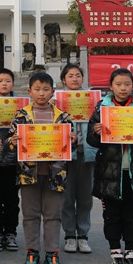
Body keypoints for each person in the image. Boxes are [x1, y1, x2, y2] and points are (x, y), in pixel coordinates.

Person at [88, 68, 133, 264]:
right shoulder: (102, 109)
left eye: (127, 84)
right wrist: (96, 131)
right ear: (111, 87)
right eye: (118, 84)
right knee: (111, 215)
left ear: (132, 86)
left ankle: (131, 250)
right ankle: (115, 251)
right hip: (111, 172)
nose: (123, 88)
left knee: (132, 215)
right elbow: (91, 141)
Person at [7, 72, 75, 264]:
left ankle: (53, 252)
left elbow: (72, 145)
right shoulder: (21, 116)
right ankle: (32, 251)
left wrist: (73, 140)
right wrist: (13, 142)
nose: (41, 93)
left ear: (53, 92)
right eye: (37, 89)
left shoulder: (63, 117)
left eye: (46, 89)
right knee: (30, 214)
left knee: (53, 215)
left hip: (56, 174)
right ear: (29, 91)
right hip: (28, 174)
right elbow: (11, 146)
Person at [59, 64, 95, 254]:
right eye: (70, 76)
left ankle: (83, 234)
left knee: (85, 197)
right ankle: (70, 235)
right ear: (64, 79)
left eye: (78, 75)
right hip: (65, 155)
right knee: (66, 197)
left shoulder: (92, 99)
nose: (75, 79)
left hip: (86, 153)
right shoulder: (57, 100)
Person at [0, 68, 20, 252]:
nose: (4, 84)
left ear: (13, 84)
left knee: (12, 201)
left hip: (13, 161)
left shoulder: (21, 107)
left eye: (8, 80)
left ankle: (11, 233)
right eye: (0, 80)